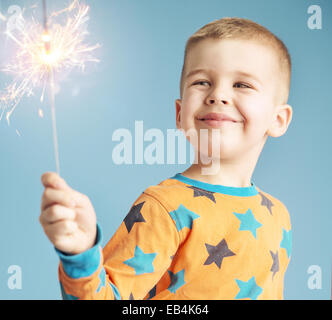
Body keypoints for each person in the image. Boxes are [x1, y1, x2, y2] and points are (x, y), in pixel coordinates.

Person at [39, 17, 293, 300]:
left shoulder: (278, 216)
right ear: (179, 114)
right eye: (202, 82)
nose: (218, 94)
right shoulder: (164, 207)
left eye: (242, 84)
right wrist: (81, 254)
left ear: (278, 119)